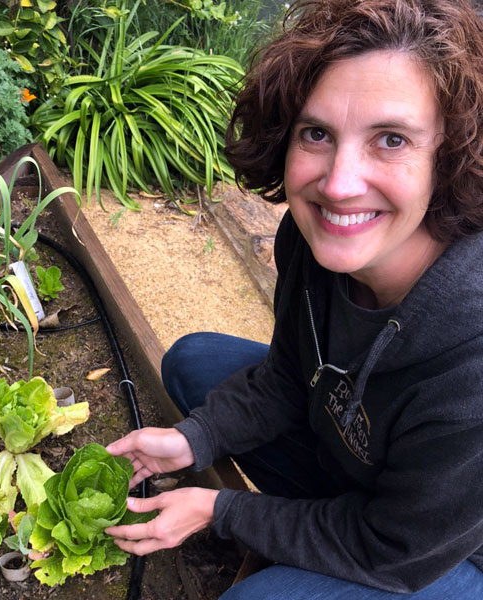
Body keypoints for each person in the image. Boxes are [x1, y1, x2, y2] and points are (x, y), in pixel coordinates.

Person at [104, 0, 483, 597]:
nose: (337, 184)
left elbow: (395, 550)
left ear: (449, 155)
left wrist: (219, 510)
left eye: (390, 139)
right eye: (317, 133)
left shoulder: (472, 362)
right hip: (354, 457)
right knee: (191, 361)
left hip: (435, 551)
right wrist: (192, 441)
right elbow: (291, 373)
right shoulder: (311, 241)